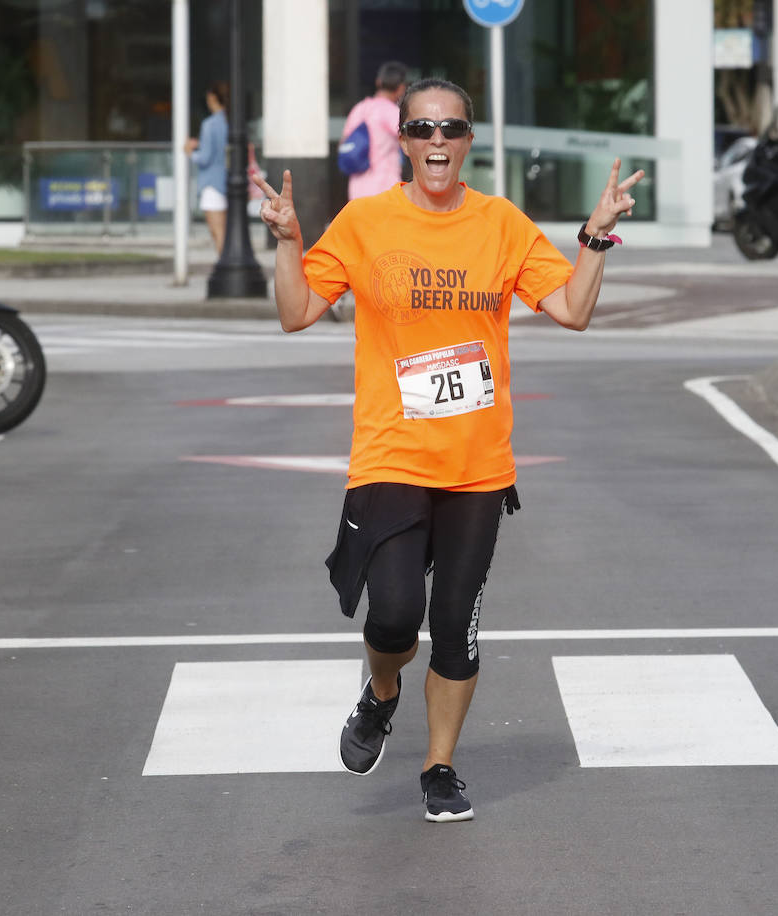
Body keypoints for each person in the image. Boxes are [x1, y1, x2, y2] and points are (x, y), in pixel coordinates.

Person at [251, 77, 642, 823]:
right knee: (396, 616)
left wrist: (595, 236)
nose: (437, 142)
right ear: (403, 139)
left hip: (475, 466)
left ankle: (439, 768)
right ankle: (382, 691)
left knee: (455, 626)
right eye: (424, 129)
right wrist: (289, 240)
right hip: (391, 455)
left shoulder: (500, 224)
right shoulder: (366, 222)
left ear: (469, 142)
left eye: (451, 129)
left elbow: (572, 311)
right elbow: (299, 312)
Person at [341, 61, 408, 200]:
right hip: (385, 187)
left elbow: (344, 142)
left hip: (356, 189)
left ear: (378, 82)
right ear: (401, 88)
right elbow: (409, 138)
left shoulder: (359, 108)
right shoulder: (392, 112)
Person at [184, 80, 228, 254]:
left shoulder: (209, 124)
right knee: (225, 231)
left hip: (212, 184)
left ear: (212, 98)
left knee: (217, 232)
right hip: (228, 183)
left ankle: (224, 269)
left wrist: (189, 152)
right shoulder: (230, 122)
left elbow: (205, 158)